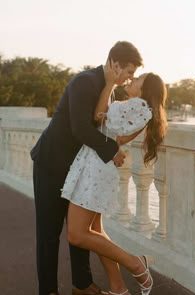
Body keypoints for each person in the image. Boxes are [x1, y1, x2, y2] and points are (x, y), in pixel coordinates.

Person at [30, 41, 143, 295]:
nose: (128, 79)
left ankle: (81, 284)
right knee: (49, 233)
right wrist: (111, 150)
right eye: (128, 72)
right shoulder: (84, 82)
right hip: (51, 164)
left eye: (132, 75)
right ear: (114, 63)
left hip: (76, 170)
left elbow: (102, 125)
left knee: (79, 230)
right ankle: (47, 290)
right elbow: (80, 128)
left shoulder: (109, 90)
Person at [61, 63, 168, 295]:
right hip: (96, 165)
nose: (133, 79)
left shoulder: (139, 107)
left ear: (145, 89)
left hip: (96, 169)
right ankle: (119, 288)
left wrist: (110, 83)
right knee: (96, 230)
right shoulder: (137, 107)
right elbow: (107, 127)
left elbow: (99, 119)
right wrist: (109, 89)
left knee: (77, 234)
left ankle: (136, 264)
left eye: (138, 78)